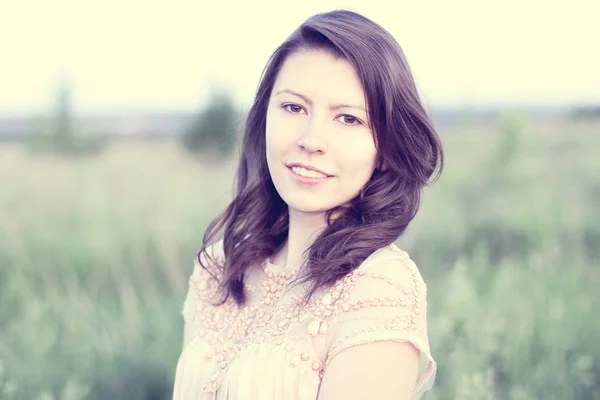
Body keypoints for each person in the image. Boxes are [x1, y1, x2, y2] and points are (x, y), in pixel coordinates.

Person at [173, 9, 443, 400]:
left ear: (384, 149)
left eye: (348, 119)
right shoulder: (219, 266)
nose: (312, 139)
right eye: (294, 107)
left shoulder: (378, 286)